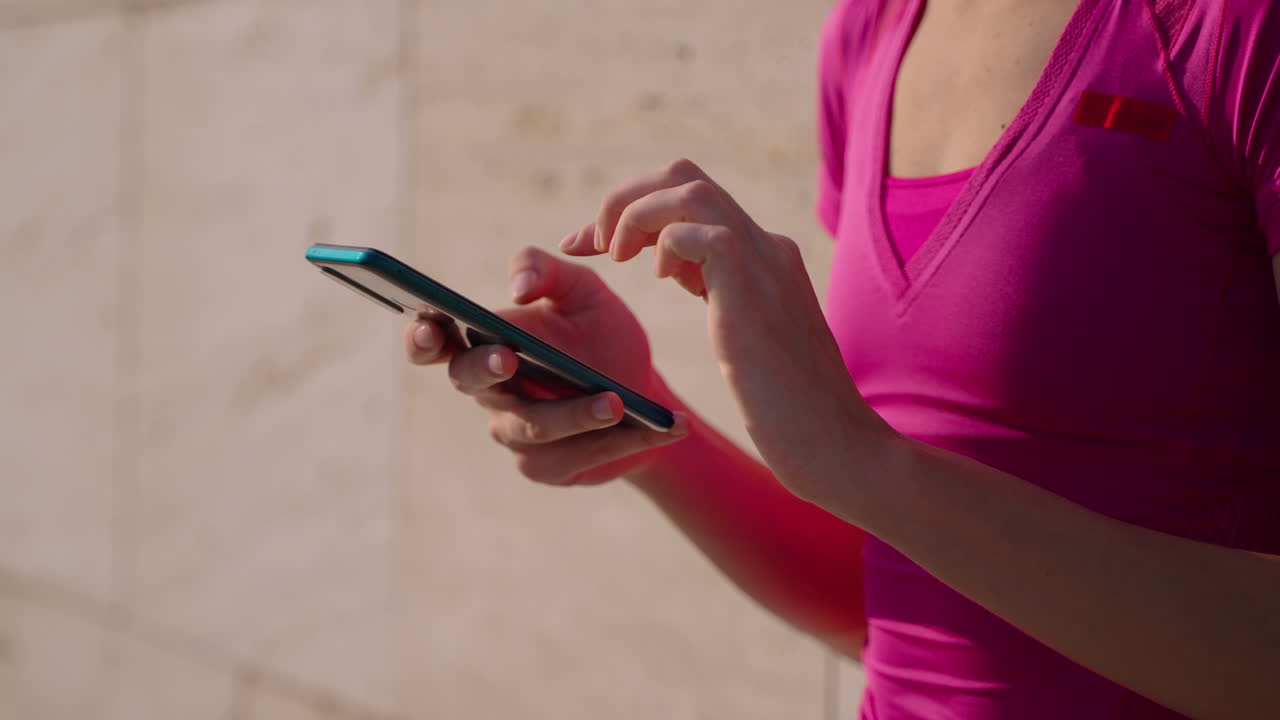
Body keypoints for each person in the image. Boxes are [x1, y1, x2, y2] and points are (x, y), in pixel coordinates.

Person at [404, 0, 1280, 717]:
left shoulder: (1237, 32)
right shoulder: (872, 34)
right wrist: (642, 423)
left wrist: (865, 462)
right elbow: (894, 595)